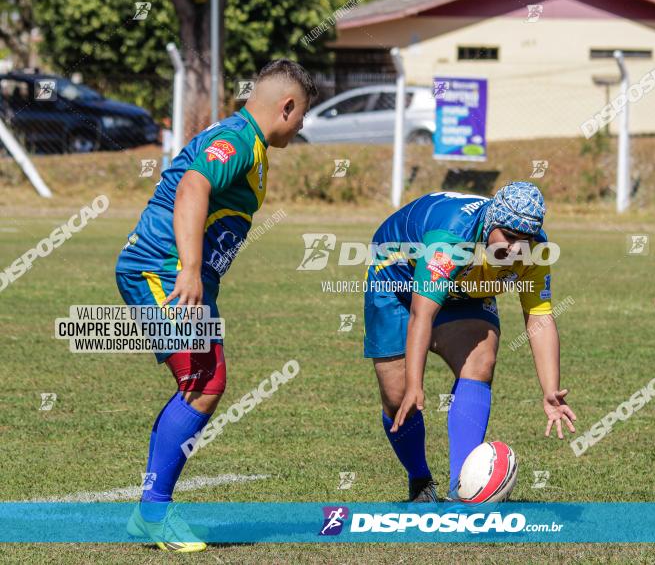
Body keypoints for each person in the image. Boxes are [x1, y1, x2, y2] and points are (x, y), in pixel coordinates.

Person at [115, 59, 317, 552]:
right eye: (302, 115)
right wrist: (188, 267)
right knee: (204, 381)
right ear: (286, 106)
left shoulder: (246, 140)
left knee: (201, 381)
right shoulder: (237, 140)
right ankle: (154, 514)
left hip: (177, 272)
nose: (302, 126)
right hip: (161, 269)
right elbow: (192, 186)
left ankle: (151, 512)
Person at [364, 183, 576, 502]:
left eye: (526, 240)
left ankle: (461, 491)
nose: (518, 249)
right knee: (397, 398)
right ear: (490, 224)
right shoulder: (452, 238)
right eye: (509, 237)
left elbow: (539, 316)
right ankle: (420, 481)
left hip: (465, 286)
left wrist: (550, 389)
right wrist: (414, 383)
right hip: (397, 280)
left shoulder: (535, 251)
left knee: (481, 360)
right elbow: (422, 313)